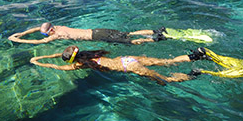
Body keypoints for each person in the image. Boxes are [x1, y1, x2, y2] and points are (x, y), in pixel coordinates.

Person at [29, 45, 210, 85]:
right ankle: (196, 56)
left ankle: (194, 74)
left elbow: (58, 67)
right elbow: (63, 58)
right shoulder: (88, 54)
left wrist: (39, 62)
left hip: (129, 68)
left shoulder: (80, 65)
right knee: (167, 62)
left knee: (164, 79)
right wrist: (50, 54)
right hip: (128, 58)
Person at [9, 22, 166, 45]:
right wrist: (22, 33)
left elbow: (39, 42)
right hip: (98, 30)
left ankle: (155, 39)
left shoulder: (58, 34)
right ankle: (155, 31)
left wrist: (18, 40)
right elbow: (38, 28)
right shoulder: (55, 26)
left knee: (128, 41)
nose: (46, 36)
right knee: (129, 33)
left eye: (46, 34)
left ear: (50, 31)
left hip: (97, 36)